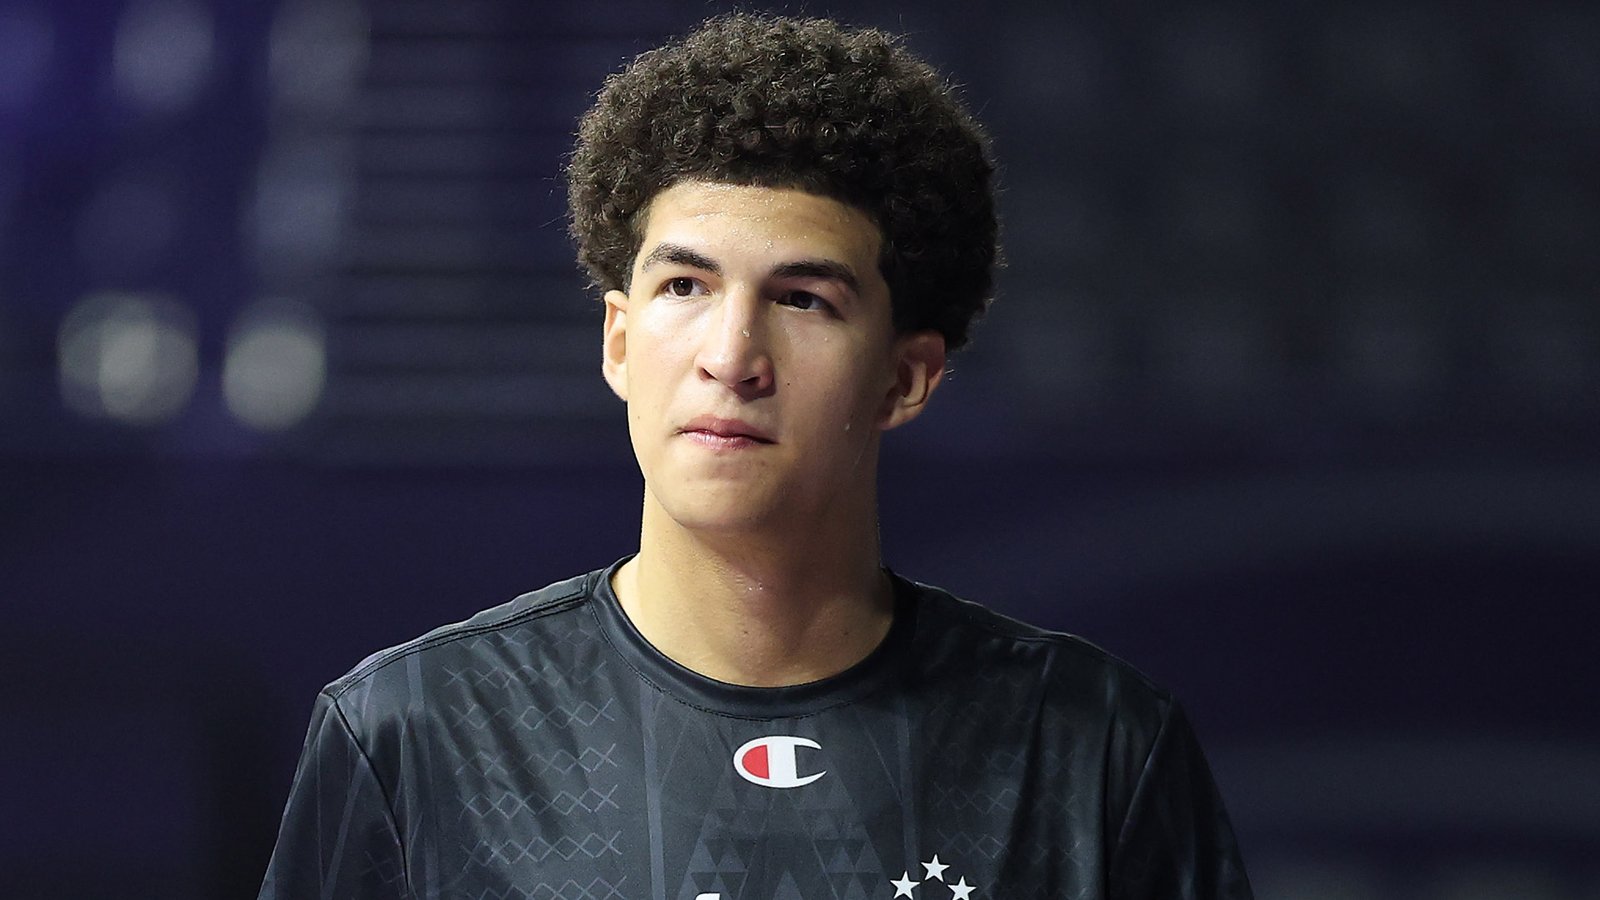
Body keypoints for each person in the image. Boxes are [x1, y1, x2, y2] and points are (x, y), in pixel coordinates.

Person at [259, 13, 1253, 899]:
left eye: (802, 300)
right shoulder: (413, 734)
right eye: (685, 288)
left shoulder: (1093, 749)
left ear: (905, 377)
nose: (731, 357)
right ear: (618, 342)